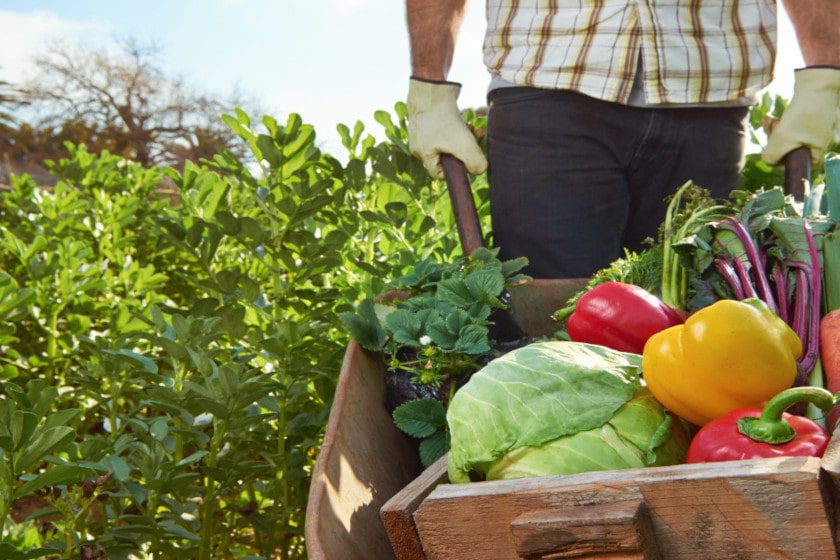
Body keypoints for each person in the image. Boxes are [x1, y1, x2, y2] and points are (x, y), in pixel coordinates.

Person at [405, 1, 840, 279]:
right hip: (547, 90)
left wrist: (824, 74)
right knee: (552, 326)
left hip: (708, 95)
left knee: (693, 316)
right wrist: (430, 86)